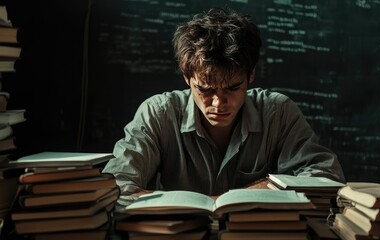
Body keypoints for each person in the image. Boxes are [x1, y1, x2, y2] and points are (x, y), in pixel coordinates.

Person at [103, 8, 345, 205]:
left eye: (232, 87)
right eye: (205, 89)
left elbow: (325, 176)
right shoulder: (158, 113)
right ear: (187, 79)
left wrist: (233, 198)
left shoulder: (278, 113)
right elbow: (115, 186)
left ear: (251, 76)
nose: (218, 103)